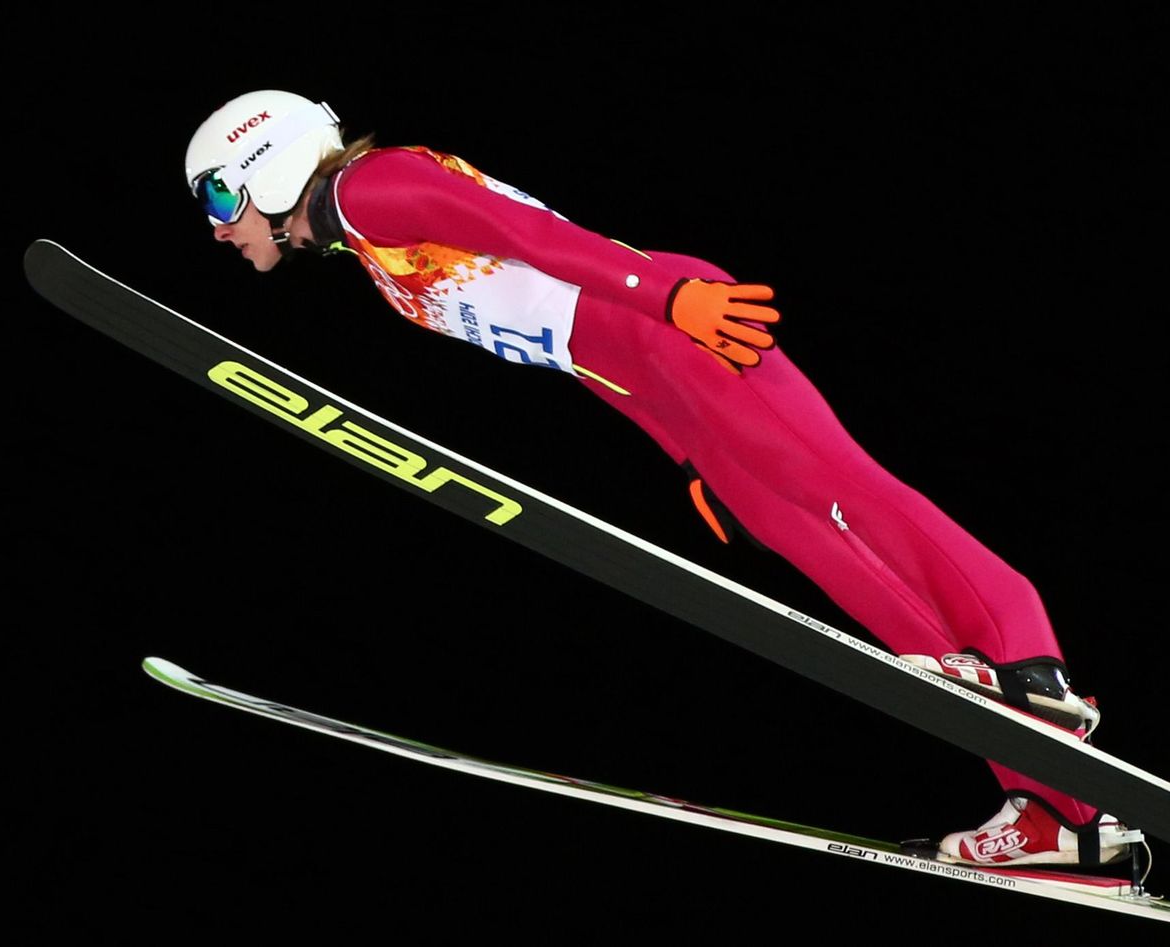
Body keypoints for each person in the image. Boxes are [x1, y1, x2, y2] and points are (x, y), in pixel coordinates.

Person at [184, 90, 1139, 867]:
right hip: (640, 366)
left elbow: (516, 233)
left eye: (221, 203)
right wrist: (682, 450)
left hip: (662, 322)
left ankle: (1026, 659)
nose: (221, 232)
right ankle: (1064, 813)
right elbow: (561, 344)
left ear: (269, 168)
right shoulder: (365, 250)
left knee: (847, 490)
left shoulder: (370, 191)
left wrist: (668, 297)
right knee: (805, 535)